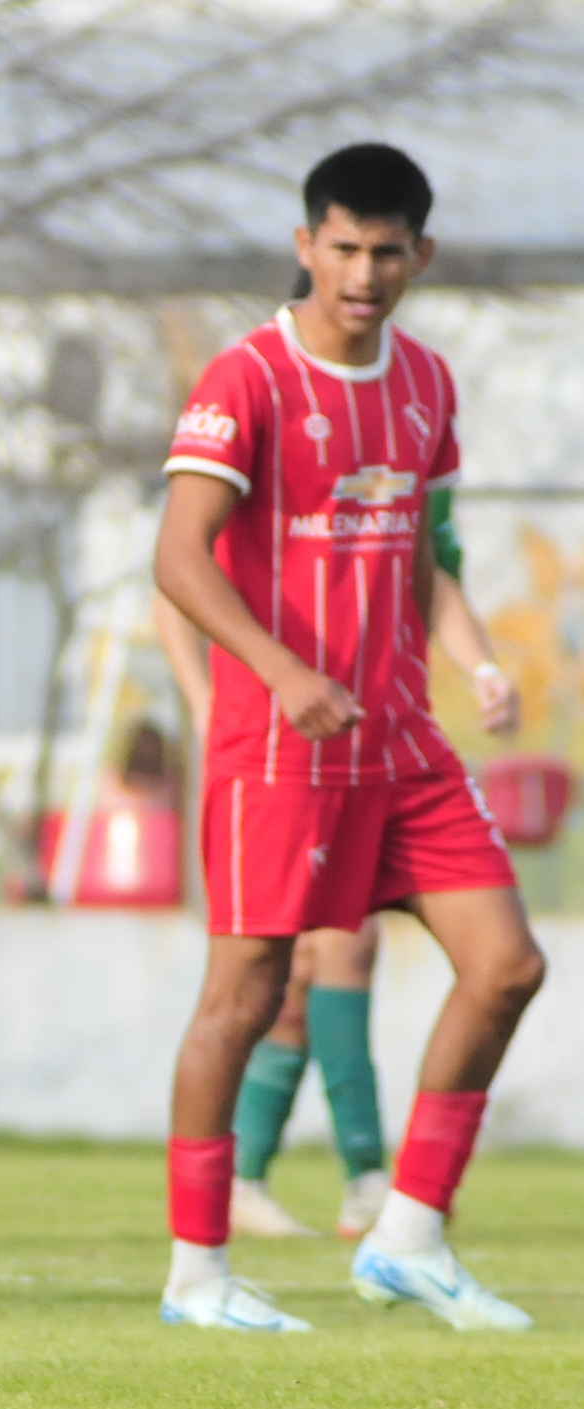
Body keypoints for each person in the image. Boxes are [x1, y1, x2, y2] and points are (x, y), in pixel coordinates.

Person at [152, 142, 543, 1333]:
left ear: (417, 255)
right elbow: (174, 557)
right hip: (276, 748)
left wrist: (473, 655)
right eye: (341, 247)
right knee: (245, 994)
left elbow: (419, 555)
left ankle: (408, 1236)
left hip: (403, 746)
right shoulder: (246, 377)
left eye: (385, 251)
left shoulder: (425, 381)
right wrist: (273, 671)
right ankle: (196, 1274)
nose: (361, 271)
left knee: (506, 965)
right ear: (303, 244)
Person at [155, 486, 517, 1241]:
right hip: (273, 759)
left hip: (377, 746)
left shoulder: (411, 469)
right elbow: (176, 585)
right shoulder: (269, 451)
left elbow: (434, 581)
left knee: (333, 964)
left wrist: (482, 668)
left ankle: (320, 1179)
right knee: (280, 983)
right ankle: (328, 1178)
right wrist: (202, 702)